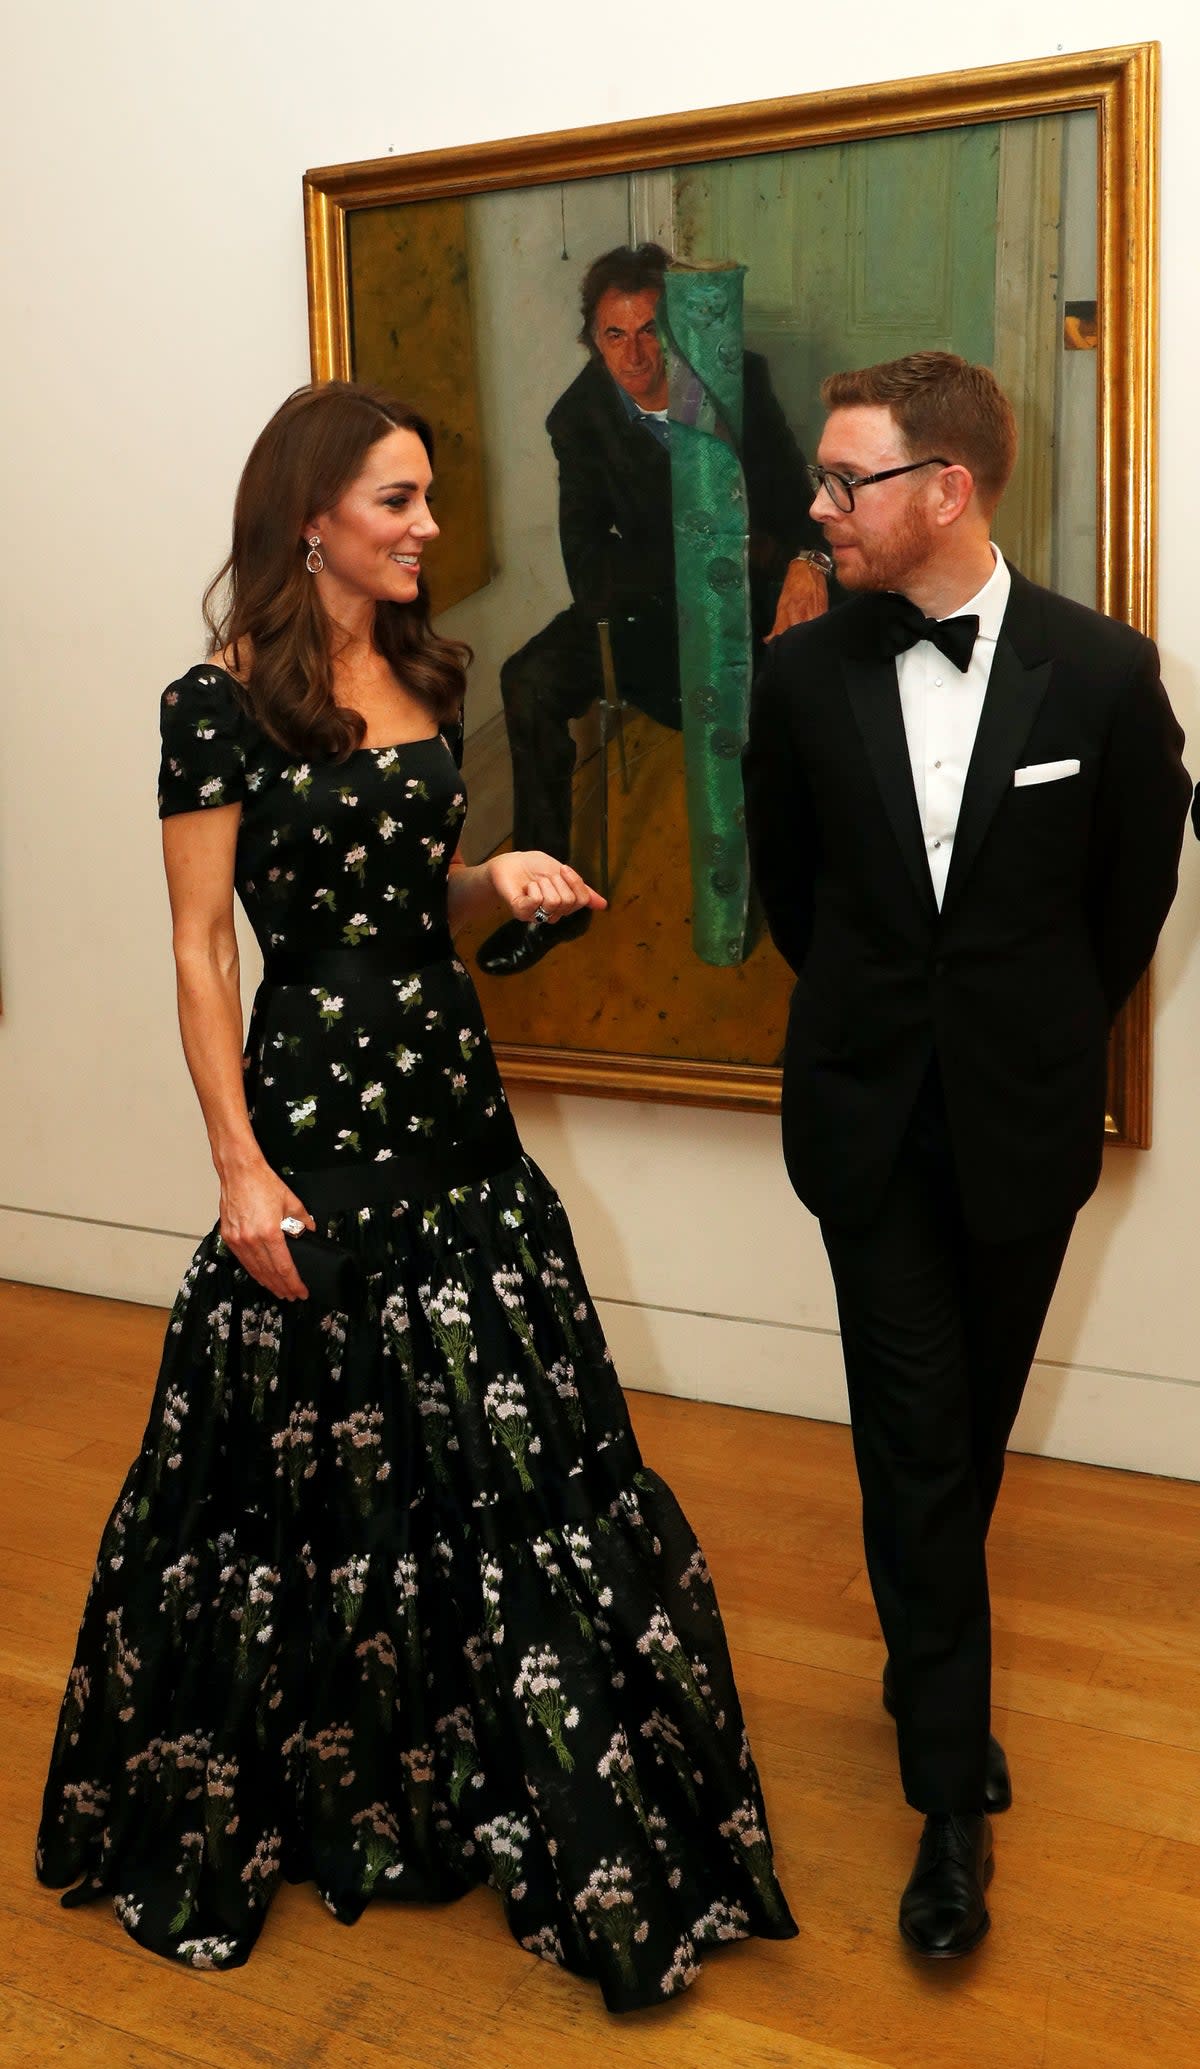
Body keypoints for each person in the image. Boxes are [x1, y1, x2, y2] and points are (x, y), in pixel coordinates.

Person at [36, 380, 796, 2009]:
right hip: (312, 1112)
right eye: (399, 499)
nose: (429, 526)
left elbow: (405, 902)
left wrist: (493, 878)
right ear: (311, 513)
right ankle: (331, 1767)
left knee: (513, 1447)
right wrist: (239, 1163)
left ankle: (502, 1770)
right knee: (305, 1462)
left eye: (430, 498)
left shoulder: (427, 672)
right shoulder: (215, 700)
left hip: (451, 1094)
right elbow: (199, 946)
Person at [743, 351, 1189, 1960]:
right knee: (920, 1438)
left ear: (947, 489)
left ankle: (921, 1638)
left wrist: (1037, 1027)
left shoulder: (1103, 672)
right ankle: (948, 1804)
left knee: (961, 1431)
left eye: (845, 479)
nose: (818, 506)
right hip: (865, 1121)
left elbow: (1131, 894)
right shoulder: (799, 679)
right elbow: (799, 898)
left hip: (1018, 1121)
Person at [477, 241, 829, 976]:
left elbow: (798, 505)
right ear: (592, 341)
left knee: (804, 691)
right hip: (642, 617)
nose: (635, 355)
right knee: (527, 679)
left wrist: (808, 562)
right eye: (614, 334)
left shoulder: (734, 381)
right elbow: (588, 570)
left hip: (747, 603)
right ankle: (547, 903)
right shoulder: (577, 419)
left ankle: (804, 902)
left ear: (676, 334)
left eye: (650, 332)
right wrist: (699, 541)